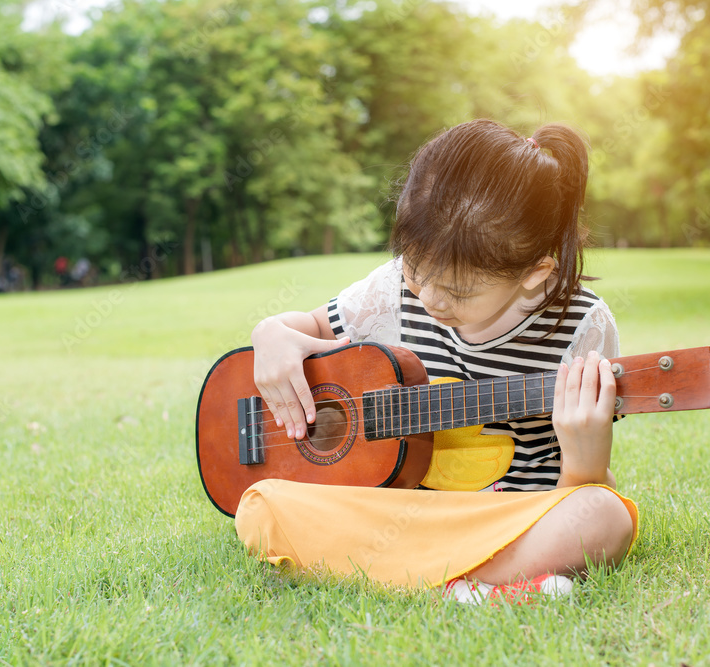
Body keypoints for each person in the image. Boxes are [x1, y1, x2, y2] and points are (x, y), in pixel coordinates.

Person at [236, 119, 638, 604]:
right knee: (260, 506)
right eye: (414, 268)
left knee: (604, 515)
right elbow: (312, 328)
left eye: (458, 290)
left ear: (534, 273)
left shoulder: (583, 326)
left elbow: (578, 492)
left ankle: (434, 582)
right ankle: (482, 586)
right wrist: (272, 333)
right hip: (398, 514)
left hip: (507, 522)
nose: (426, 296)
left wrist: (585, 457)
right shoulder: (390, 290)